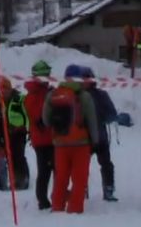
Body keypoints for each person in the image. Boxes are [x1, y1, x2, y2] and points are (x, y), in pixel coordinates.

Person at [43, 64, 99, 214]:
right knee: (79, 179)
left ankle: (57, 206)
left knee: (61, 177)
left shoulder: (53, 94)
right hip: (81, 143)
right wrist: (95, 140)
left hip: (60, 143)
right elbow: (91, 120)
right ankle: (75, 208)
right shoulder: (84, 96)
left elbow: (46, 120)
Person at [81, 67, 119, 202]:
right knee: (84, 165)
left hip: (97, 136)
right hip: (87, 137)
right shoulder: (79, 96)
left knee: (105, 164)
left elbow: (111, 114)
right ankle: (83, 189)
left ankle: (108, 189)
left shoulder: (99, 95)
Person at [24, 61, 55, 210]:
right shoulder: (36, 94)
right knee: (47, 171)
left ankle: (49, 198)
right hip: (45, 138)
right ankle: (43, 200)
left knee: (48, 170)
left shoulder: (38, 93)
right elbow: (39, 117)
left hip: (44, 138)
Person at [0, 76, 31, 191]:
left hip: (19, 132)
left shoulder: (18, 99)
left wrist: (26, 127)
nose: (3, 91)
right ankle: (15, 179)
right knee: (9, 157)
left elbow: (27, 114)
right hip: (7, 133)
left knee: (19, 156)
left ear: (9, 88)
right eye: (1, 89)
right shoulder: (0, 101)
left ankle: (24, 178)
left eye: (5, 88)